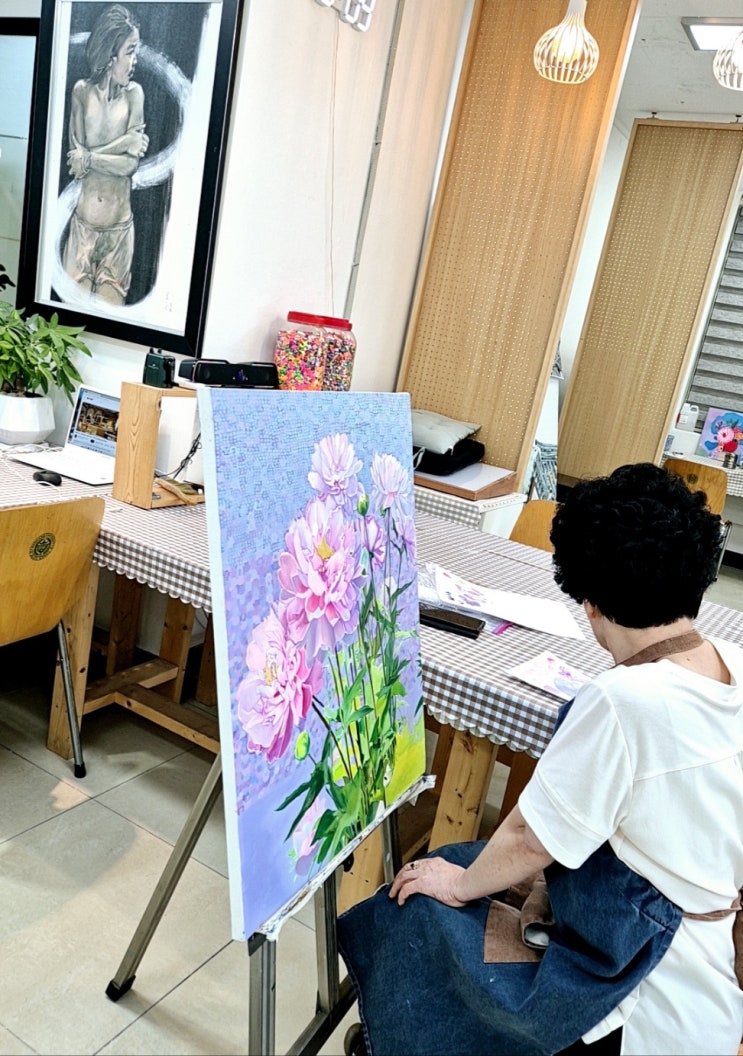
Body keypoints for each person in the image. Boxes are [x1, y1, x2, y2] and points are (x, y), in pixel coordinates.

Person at [337, 462, 743, 1056]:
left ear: (590, 602)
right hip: (704, 968)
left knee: (422, 902)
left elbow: (531, 839)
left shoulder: (624, 700)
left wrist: (459, 886)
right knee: (464, 873)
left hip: (633, 985)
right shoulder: (731, 662)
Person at [62, 4, 148, 305]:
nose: (135, 61)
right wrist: (124, 141)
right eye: (130, 52)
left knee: (108, 321)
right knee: (68, 328)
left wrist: (91, 158)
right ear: (112, 55)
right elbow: (77, 164)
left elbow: (129, 166)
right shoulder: (81, 92)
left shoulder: (134, 95)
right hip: (82, 230)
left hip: (118, 234)